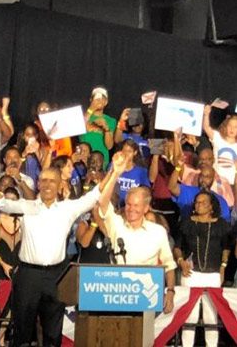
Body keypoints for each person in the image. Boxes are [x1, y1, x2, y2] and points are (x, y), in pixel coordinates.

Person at [0, 152, 126, 347]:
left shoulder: (67, 209)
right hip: (28, 275)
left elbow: (95, 194)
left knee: (53, 333)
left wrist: (115, 171)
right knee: (22, 332)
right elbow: (0, 203)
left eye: (51, 181)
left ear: (59, 185)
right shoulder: (26, 207)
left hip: (56, 276)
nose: (46, 184)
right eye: (43, 180)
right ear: (37, 184)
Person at [98, 173, 176, 314]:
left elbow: (169, 264)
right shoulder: (116, 224)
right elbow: (103, 203)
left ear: (146, 208)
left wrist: (170, 291)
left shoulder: (158, 231)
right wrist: (115, 173)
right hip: (119, 295)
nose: (131, 208)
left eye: (136, 205)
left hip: (146, 297)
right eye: (128, 204)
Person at [173, 190, 232, 347]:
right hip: (191, 274)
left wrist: (223, 267)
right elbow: (177, 247)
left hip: (212, 274)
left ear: (211, 206)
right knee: (189, 315)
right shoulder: (186, 223)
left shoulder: (221, 225)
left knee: (211, 316)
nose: (199, 205)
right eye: (197, 202)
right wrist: (180, 261)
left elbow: (226, 248)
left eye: (203, 202)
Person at [202, 105, 237, 207]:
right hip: (216, 181)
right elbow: (206, 128)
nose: (232, 129)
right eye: (230, 126)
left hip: (231, 183)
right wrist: (206, 114)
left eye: (235, 127)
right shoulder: (218, 138)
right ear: (225, 126)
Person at [79, 87, 116, 168]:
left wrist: (106, 128)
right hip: (83, 160)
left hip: (101, 162)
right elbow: (80, 127)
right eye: (97, 98)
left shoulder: (111, 121)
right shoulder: (82, 117)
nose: (99, 101)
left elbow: (109, 146)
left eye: (102, 99)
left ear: (106, 102)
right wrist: (91, 109)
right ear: (91, 100)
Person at [113, 139, 150, 206]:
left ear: (135, 152)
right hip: (115, 205)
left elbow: (146, 190)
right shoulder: (113, 166)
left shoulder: (141, 171)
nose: (126, 154)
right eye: (124, 151)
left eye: (129, 151)